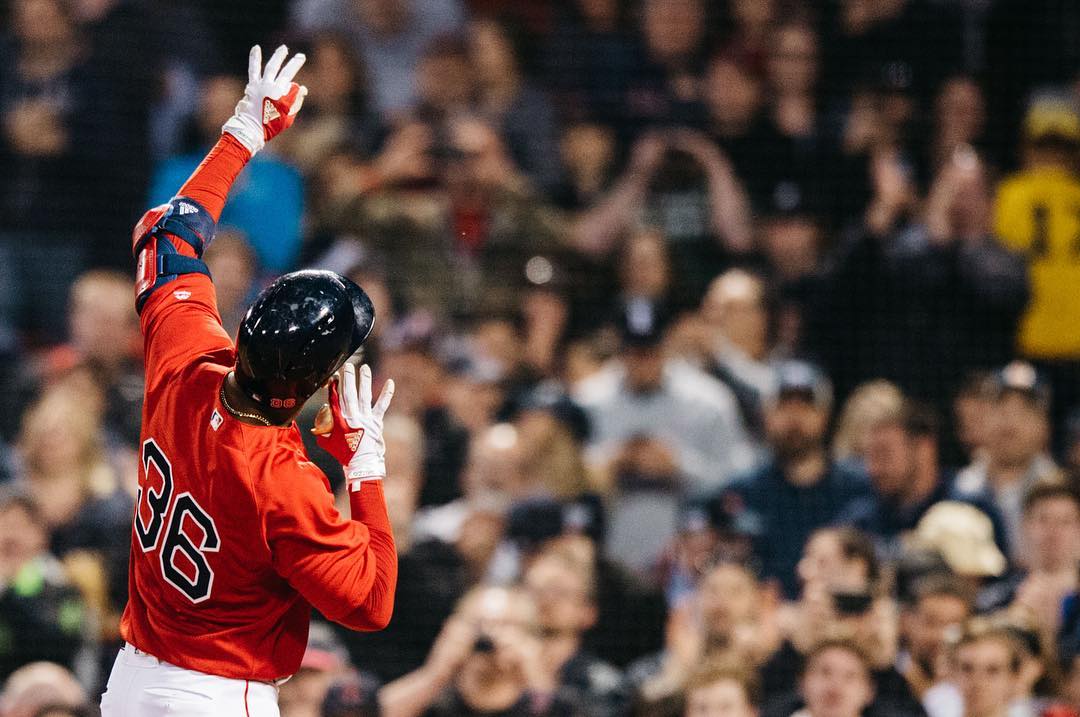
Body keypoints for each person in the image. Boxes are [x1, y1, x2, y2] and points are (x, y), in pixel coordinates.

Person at [99, 46, 398, 715]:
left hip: (132, 682)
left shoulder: (187, 359)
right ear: (320, 377)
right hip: (215, 693)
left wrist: (242, 132)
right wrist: (366, 470)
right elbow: (371, 602)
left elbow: (164, 236)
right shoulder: (284, 482)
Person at [712, 361, 877, 597]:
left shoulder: (860, 487)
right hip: (762, 620)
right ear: (766, 414)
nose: (794, 419)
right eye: (784, 407)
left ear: (824, 415)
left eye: (805, 407)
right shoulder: (742, 492)